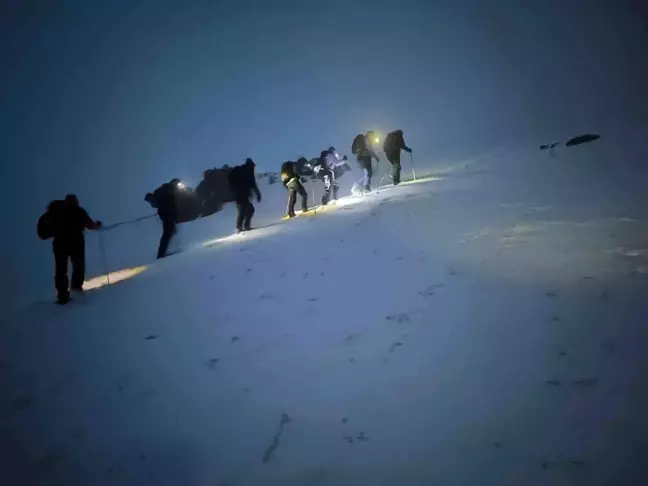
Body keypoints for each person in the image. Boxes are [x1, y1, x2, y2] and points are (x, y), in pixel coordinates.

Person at [37, 194, 102, 305]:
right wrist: (98, 225)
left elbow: (42, 232)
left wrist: (53, 232)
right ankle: (76, 290)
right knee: (78, 266)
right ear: (75, 202)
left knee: (61, 270)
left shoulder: (54, 212)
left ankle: (62, 295)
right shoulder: (78, 211)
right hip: (76, 244)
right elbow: (90, 225)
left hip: (59, 245)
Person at [145, 179, 179, 259]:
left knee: (170, 231)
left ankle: (162, 252)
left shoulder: (165, 189)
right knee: (167, 233)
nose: (177, 185)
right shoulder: (168, 187)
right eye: (177, 183)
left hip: (165, 214)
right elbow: (170, 202)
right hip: (167, 213)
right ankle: (161, 254)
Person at [228, 158, 262, 232]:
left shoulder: (240, 170)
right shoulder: (248, 172)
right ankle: (245, 226)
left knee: (243, 210)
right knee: (250, 210)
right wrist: (258, 194)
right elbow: (253, 184)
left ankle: (240, 226)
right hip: (242, 194)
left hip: (237, 194)